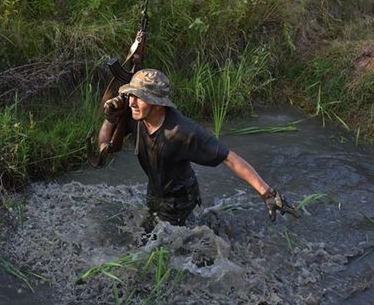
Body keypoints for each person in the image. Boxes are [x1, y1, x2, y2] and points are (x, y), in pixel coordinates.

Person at [98, 68, 299, 231]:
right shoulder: (136, 116)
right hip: (155, 192)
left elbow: (229, 158)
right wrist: (111, 119)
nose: (131, 102)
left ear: (158, 104)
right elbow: (104, 150)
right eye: (131, 95)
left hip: (180, 199)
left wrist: (267, 193)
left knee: (161, 249)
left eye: (139, 97)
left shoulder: (183, 132)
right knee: (147, 233)